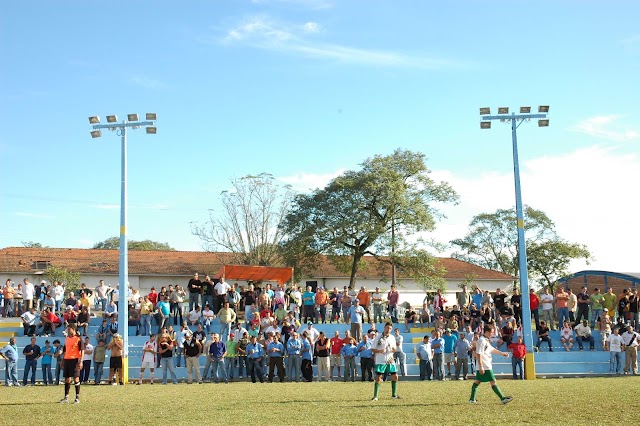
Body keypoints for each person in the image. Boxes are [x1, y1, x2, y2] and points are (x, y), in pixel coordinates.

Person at [469, 324, 513, 404]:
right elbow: (478, 354)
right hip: (485, 365)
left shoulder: (485, 340)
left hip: (484, 365)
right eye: (491, 332)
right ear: (487, 332)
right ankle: (503, 399)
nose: (492, 334)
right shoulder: (481, 340)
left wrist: (502, 353)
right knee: (493, 381)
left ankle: (472, 399)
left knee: (477, 381)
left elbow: (491, 349)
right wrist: (481, 366)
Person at [371, 322, 400, 401]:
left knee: (395, 376)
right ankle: (375, 396)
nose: (388, 330)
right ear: (384, 327)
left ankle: (394, 395)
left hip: (390, 359)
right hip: (381, 360)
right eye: (387, 328)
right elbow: (372, 349)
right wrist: (379, 351)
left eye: (390, 328)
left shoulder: (392, 337)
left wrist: (393, 349)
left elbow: (394, 349)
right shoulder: (378, 337)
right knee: (378, 377)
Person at [60, 325, 84, 404]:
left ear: (73, 329)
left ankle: (77, 397)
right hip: (67, 360)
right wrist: (63, 360)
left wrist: (81, 361)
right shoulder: (67, 338)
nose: (68, 330)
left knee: (76, 378)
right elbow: (65, 350)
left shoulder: (78, 338)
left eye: (69, 329)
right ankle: (66, 397)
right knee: (67, 379)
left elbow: (82, 350)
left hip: (75, 360)